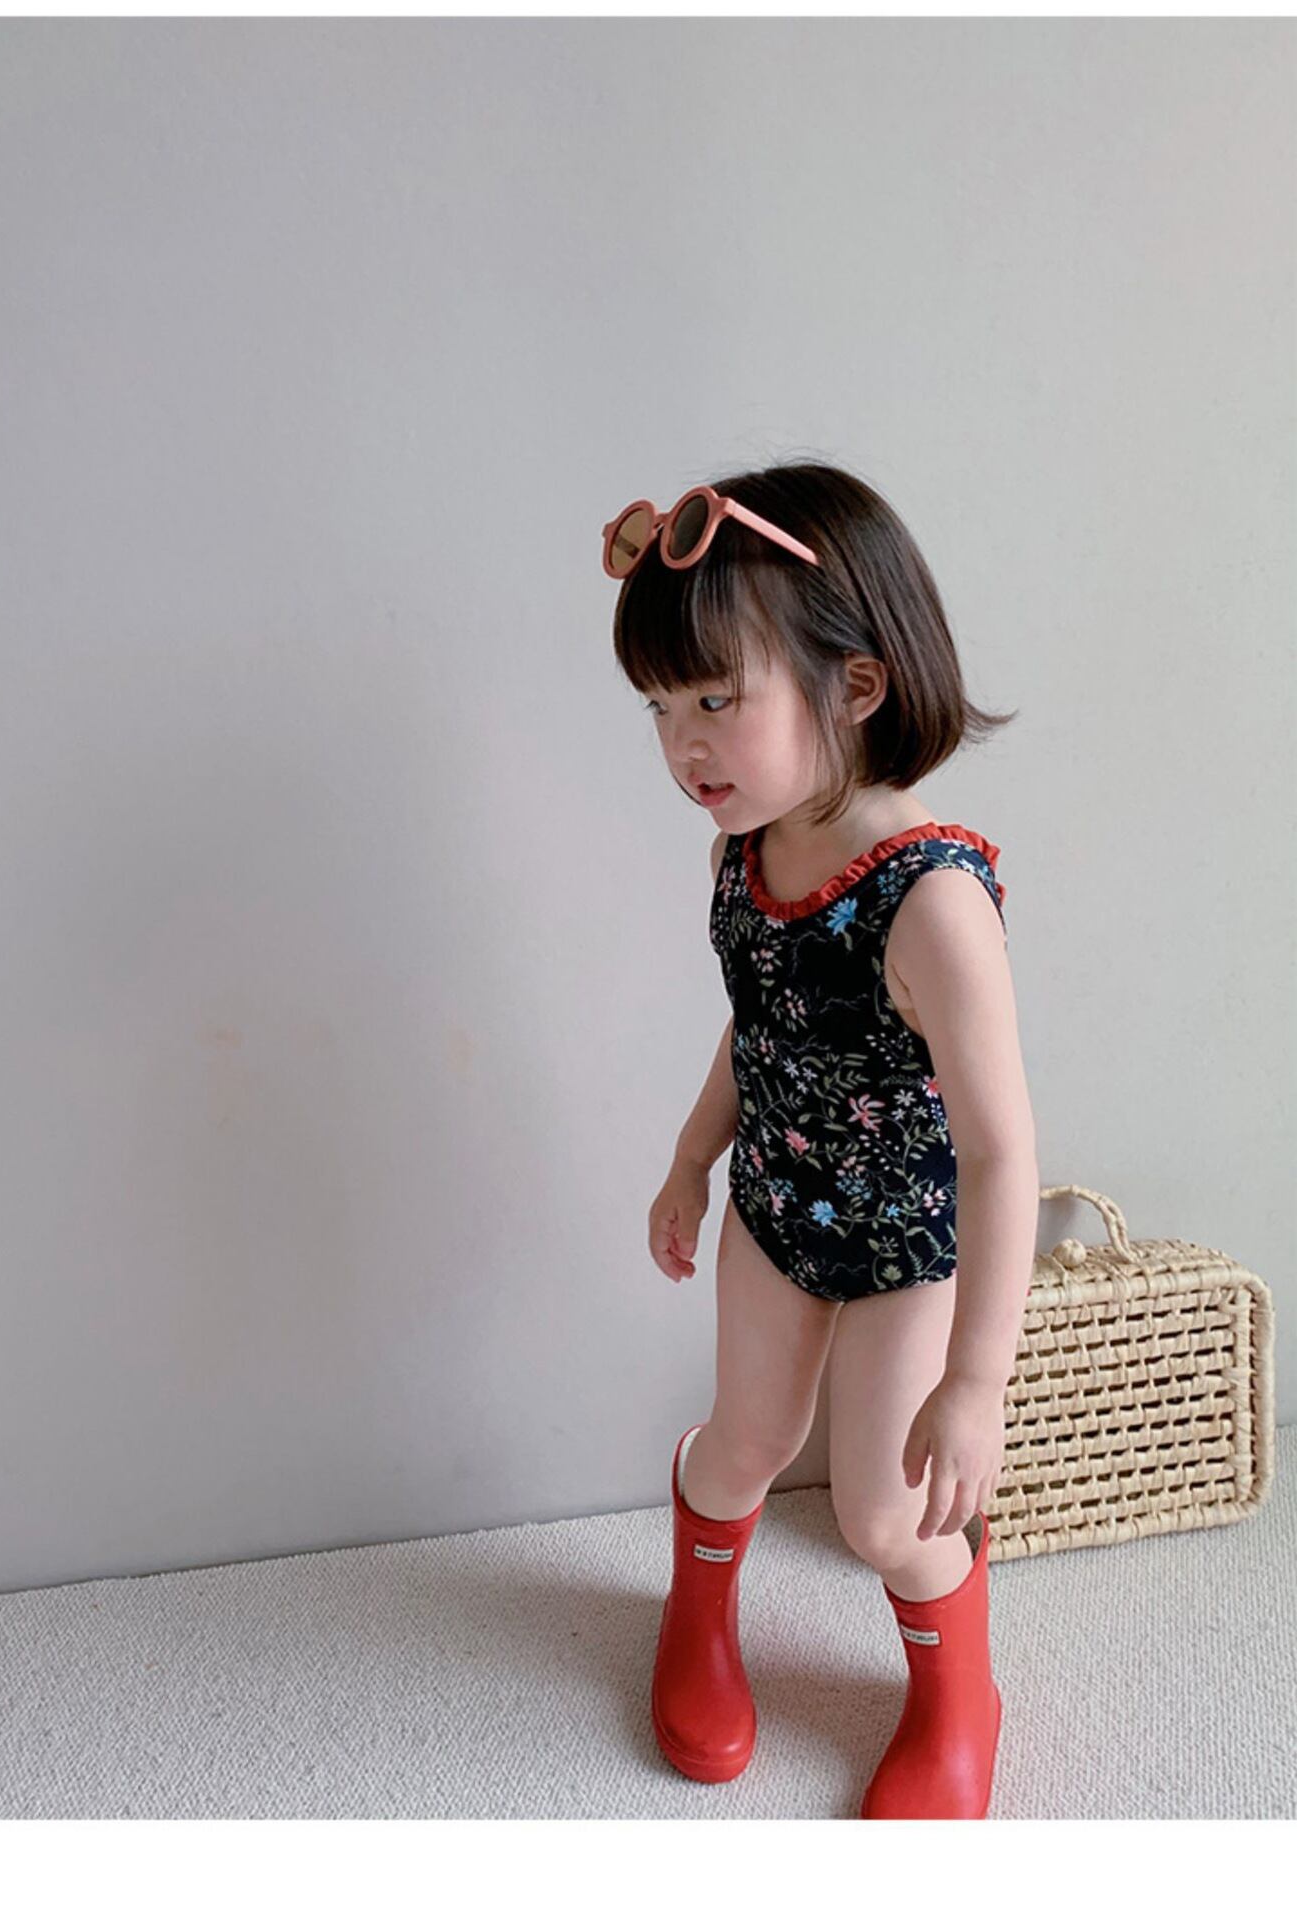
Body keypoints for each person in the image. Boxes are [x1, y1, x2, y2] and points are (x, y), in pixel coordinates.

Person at [601, 463, 1041, 1819]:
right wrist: (692, 1158)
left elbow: (1002, 1155)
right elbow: (762, 1021)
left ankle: (960, 1696)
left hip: (909, 1248)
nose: (685, 747)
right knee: (743, 1443)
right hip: (778, 1213)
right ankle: (698, 1612)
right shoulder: (743, 851)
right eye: (661, 708)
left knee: (884, 1514)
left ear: (854, 687)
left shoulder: (933, 902)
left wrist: (977, 1381)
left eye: (715, 700)